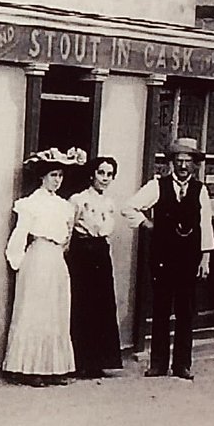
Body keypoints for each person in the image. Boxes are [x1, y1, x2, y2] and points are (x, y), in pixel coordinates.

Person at [122, 137, 214, 381]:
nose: (183, 166)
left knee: (186, 312)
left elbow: (206, 224)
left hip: (189, 258)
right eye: (178, 160)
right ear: (171, 162)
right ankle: (158, 364)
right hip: (163, 257)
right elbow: (129, 207)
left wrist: (205, 258)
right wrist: (147, 223)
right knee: (161, 309)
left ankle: (182, 365)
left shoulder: (200, 189)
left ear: (194, 164)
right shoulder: (157, 185)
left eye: (188, 161)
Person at [3, 147, 85, 386]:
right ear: (42, 177)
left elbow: (67, 235)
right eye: (53, 176)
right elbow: (20, 233)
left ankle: (54, 367)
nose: (57, 181)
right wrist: (16, 260)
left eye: (60, 176)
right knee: (36, 311)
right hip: (38, 257)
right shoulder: (30, 204)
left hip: (56, 259)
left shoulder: (64, 206)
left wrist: (61, 250)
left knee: (56, 311)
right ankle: (29, 369)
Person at [65, 156, 124, 378]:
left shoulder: (110, 203)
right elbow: (69, 229)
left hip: (100, 252)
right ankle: (80, 361)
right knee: (81, 303)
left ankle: (98, 360)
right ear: (92, 174)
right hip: (81, 253)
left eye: (109, 174)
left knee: (101, 303)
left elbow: (107, 227)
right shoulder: (78, 199)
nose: (105, 178)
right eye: (101, 173)